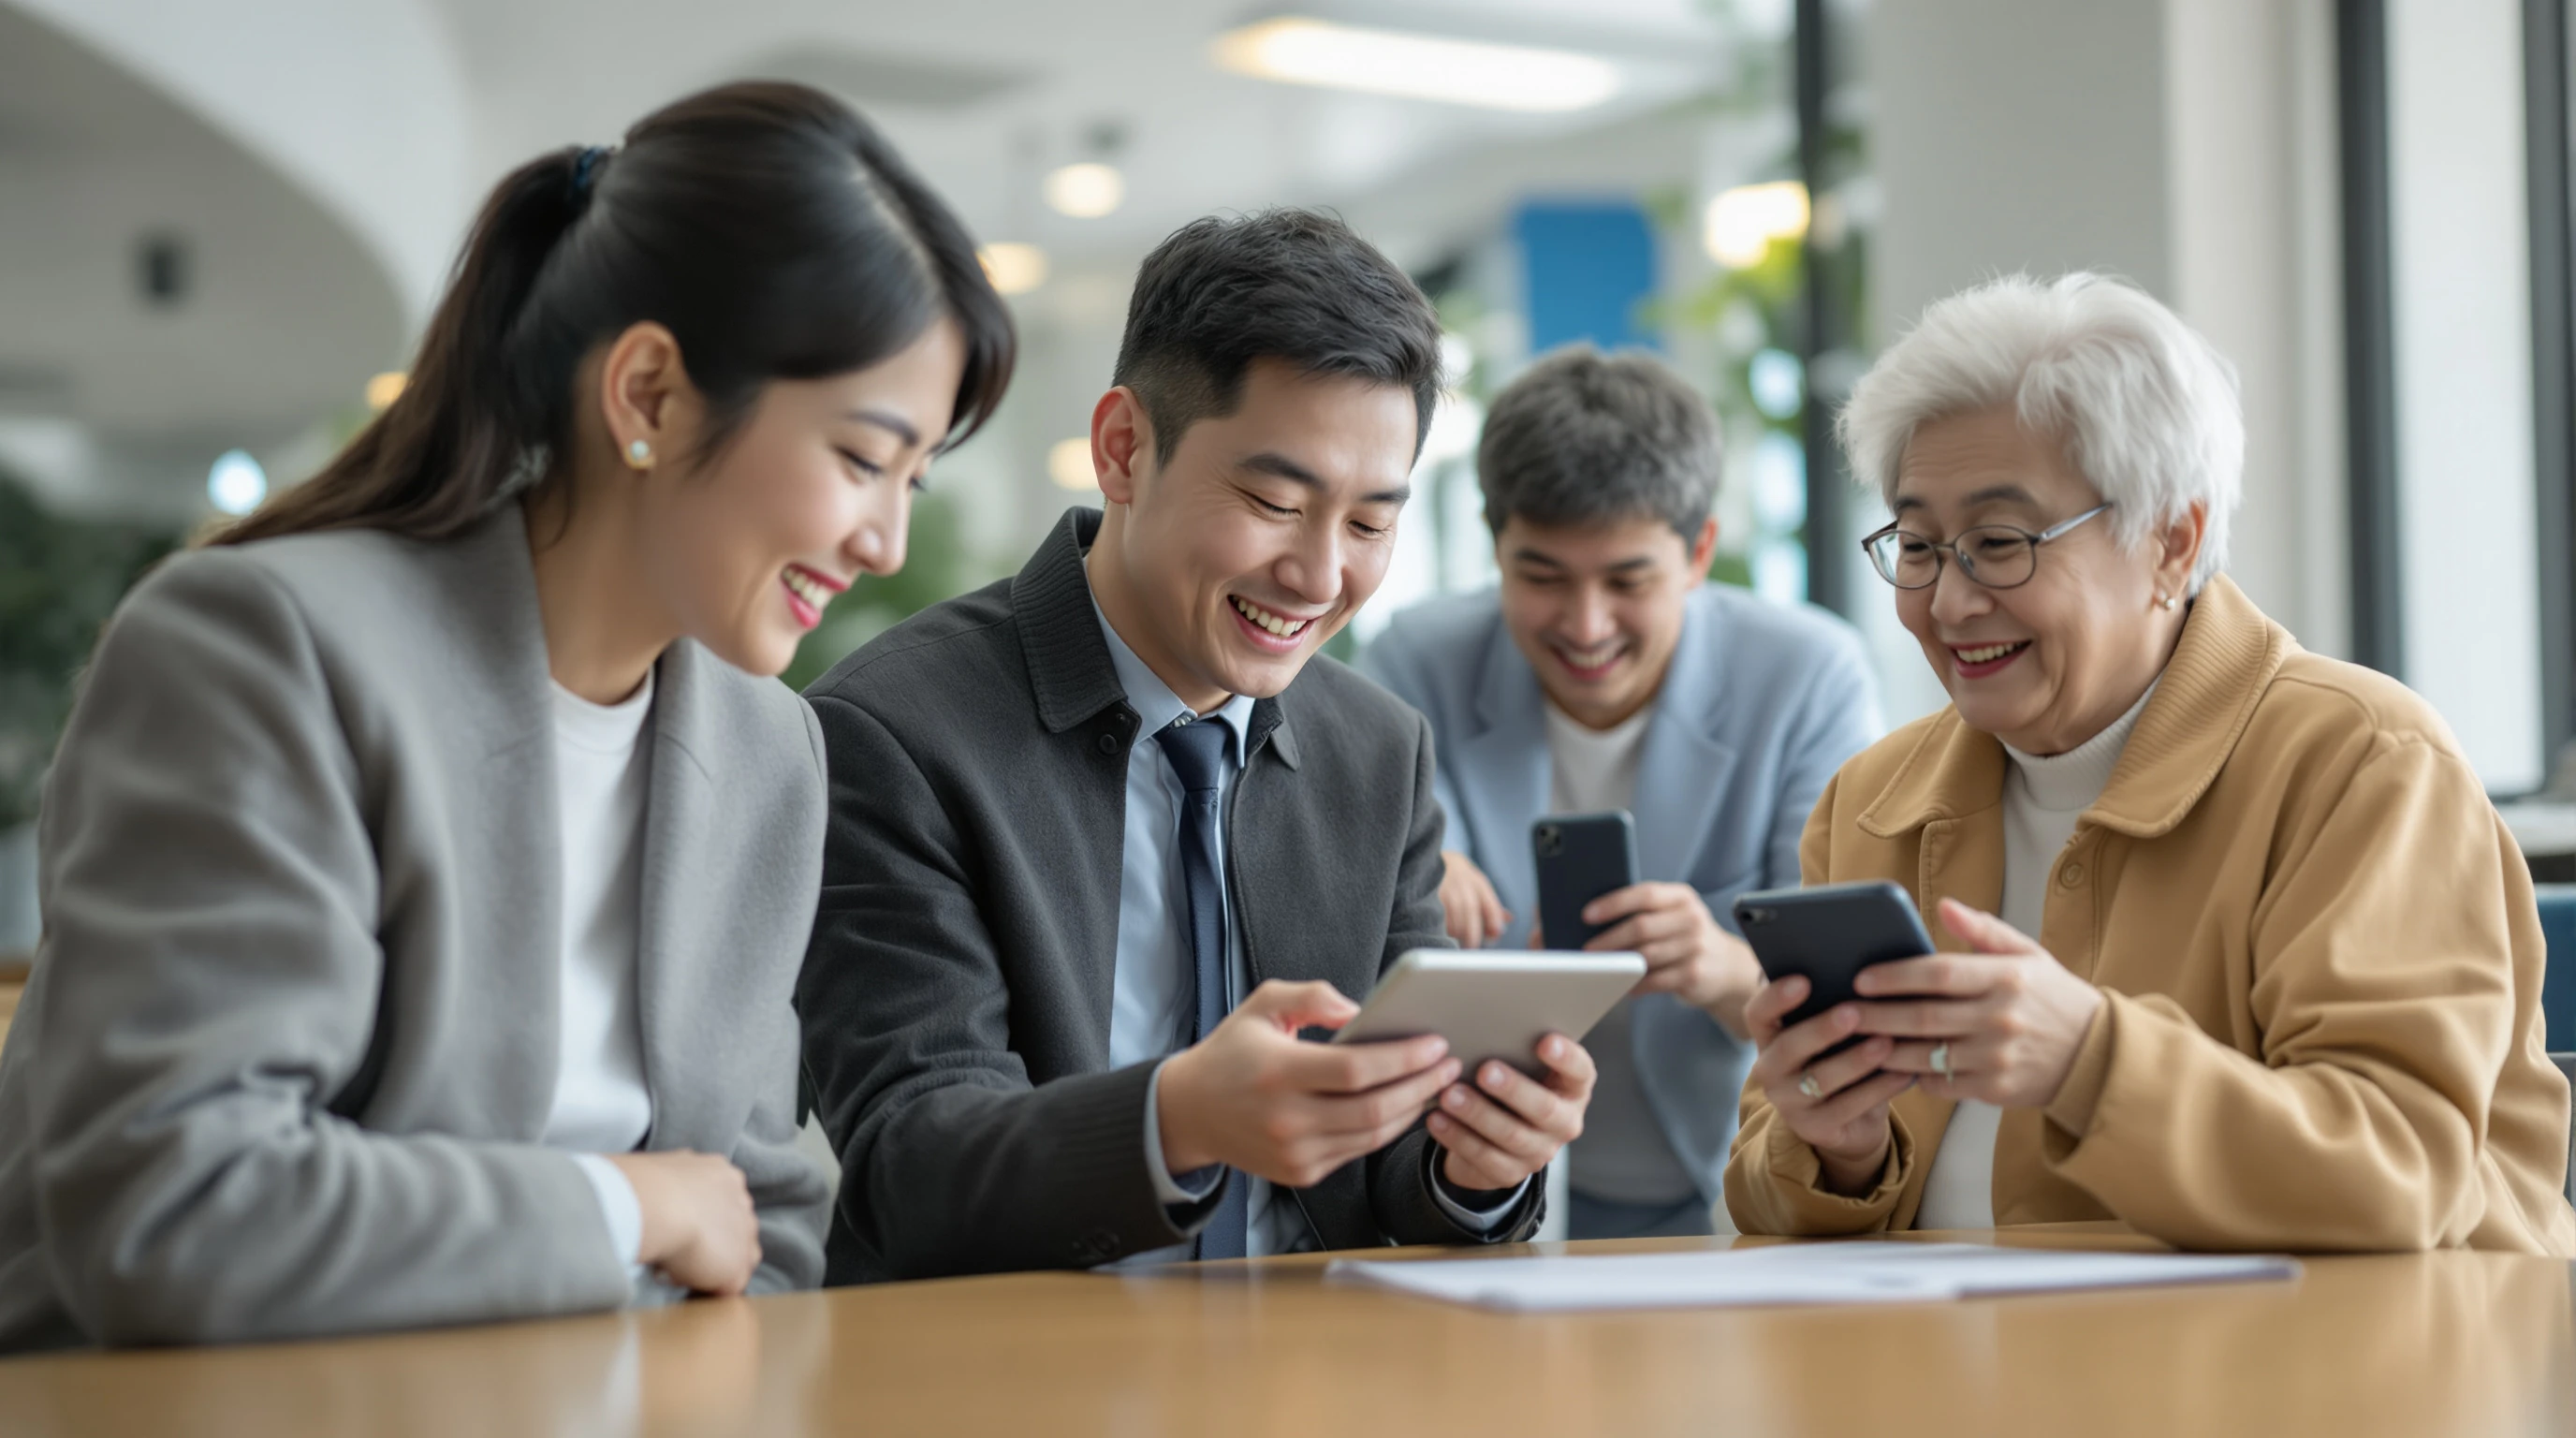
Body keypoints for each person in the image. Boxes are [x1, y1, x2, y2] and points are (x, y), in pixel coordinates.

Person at [0, 81, 1015, 1350]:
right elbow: (182, 1211)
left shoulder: (769, 754)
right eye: (863, 461)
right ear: (648, 395)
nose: (886, 540)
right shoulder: (266, 648)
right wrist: (626, 1207)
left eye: (917, 477)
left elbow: (768, 1228)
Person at [798, 210, 1596, 1283]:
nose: (1319, 579)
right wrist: (1174, 1120)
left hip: (1314, 1380)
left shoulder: (1379, 752)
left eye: (1368, 525)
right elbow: (911, 1169)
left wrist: (1477, 1163)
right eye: (1274, 501)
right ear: (1124, 449)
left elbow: (1397, 1178)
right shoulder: (895, 733)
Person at [1725, 272, 2576, 1253]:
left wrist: (2087, 1060)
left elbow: (2401, 1173)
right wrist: (1838, 1151)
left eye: (1997, 543)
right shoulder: (1869, 801)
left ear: (2173, 542)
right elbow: (1762, 1191)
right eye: (1918, 545)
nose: (1948, 603)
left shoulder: (2362, 762)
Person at [1363, 346, 1879, 1240]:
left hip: (1738, 1183)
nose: (1587, 624)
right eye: (1543, 577)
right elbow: (1353, 945)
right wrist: (1400, 863)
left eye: (1627, 580)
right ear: (1496, 547)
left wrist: (1722, 968)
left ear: (1699, 552)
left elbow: (1851, 998)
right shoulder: (1415, 661)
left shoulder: (1805, 676)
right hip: (1483, 1190)